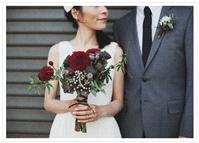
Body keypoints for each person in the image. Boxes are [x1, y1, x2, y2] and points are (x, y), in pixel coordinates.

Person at [44, 6, 124, 138]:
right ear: (76, 13)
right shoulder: (57, 50)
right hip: (66, 130)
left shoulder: (115, 51)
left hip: (104, 130)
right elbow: (48, 103)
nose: (104, 10)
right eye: (96, 6)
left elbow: (118, 101)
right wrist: (75, 104)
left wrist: (99, 111)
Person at [113, 6, 193, 138]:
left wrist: (189, 132)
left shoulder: (187, 16)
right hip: (131, 127)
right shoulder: (121, 25)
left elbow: (194, 79)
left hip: (172, 124)